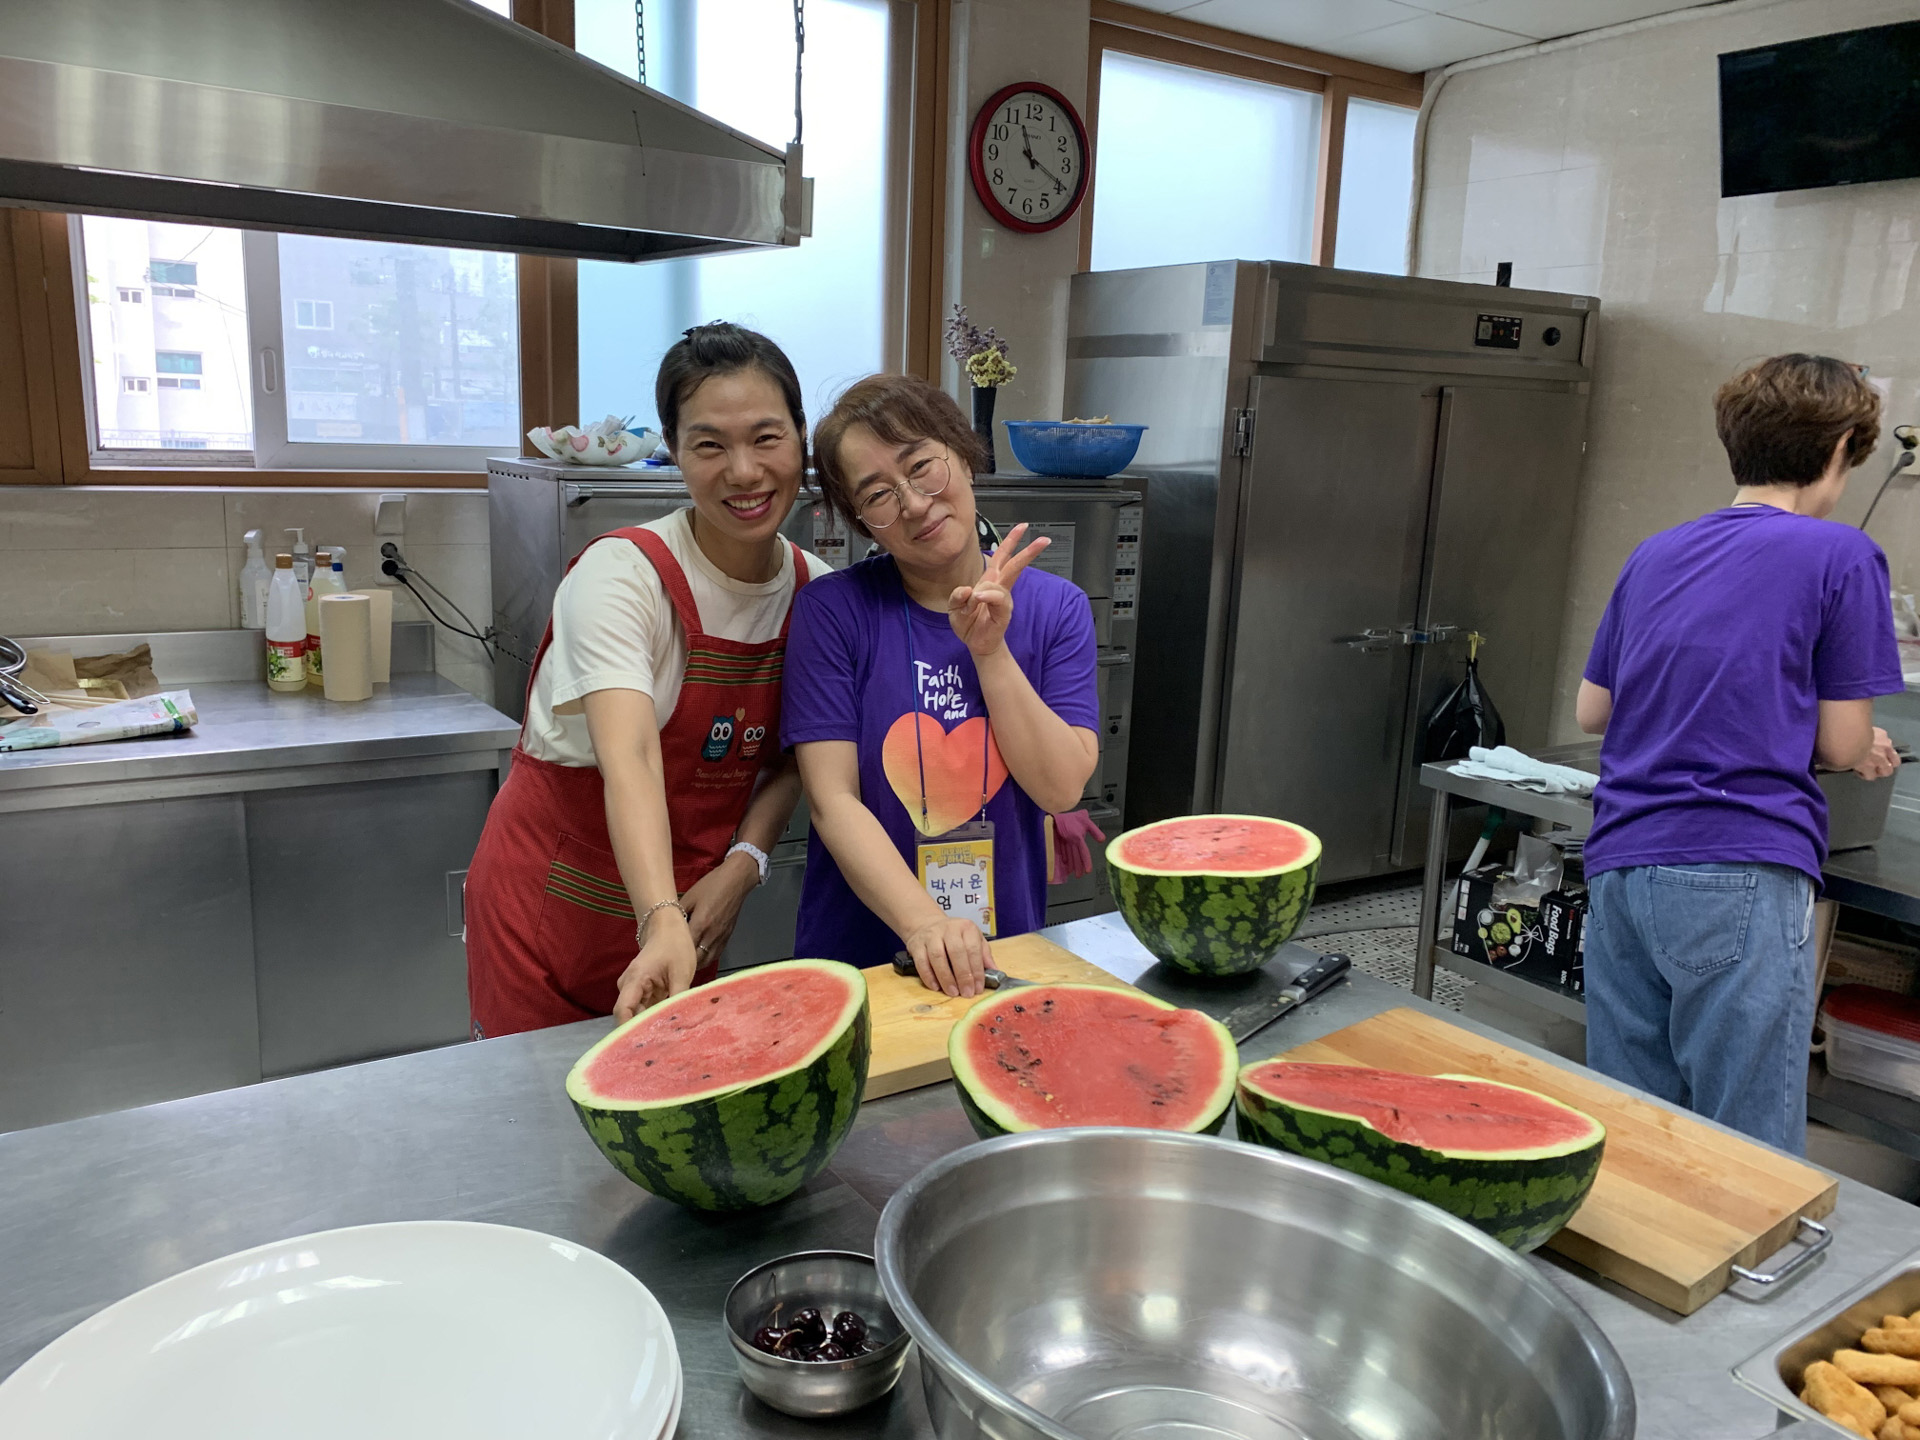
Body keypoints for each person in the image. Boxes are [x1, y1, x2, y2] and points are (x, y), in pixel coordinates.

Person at [465, 324, 833, 1037]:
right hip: (549, 912)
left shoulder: (814, 593)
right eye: (709, 445)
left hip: (686, 921)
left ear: (800, 437)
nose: (744, 471)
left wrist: (743, 864)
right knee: (534, 1103)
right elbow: (629, 755)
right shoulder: (623, 575)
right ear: (673, 449)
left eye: (766, 438)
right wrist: (659, 915)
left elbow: (795, 760)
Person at [1576, 353, 1902, 1154]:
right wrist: (1859, 743)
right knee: (1744, 1148)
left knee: (1634, 1125)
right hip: (1739, 869)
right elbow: (1840, 742)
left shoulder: (1656, 551)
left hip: (1620, 865)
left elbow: (1594, 710)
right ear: (1840, 450)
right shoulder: (1841, 555)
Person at [782, 374, 1100, 997]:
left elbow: (1061, 788)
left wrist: (990, 652)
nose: (914, 503)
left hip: (1000, 951)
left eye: (921, 466)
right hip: (861, 959)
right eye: (878, 494)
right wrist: (925, 924)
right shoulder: (832, 612)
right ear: (862, 522)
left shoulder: (1057, 608)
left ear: (962, 452)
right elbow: (832, 800)